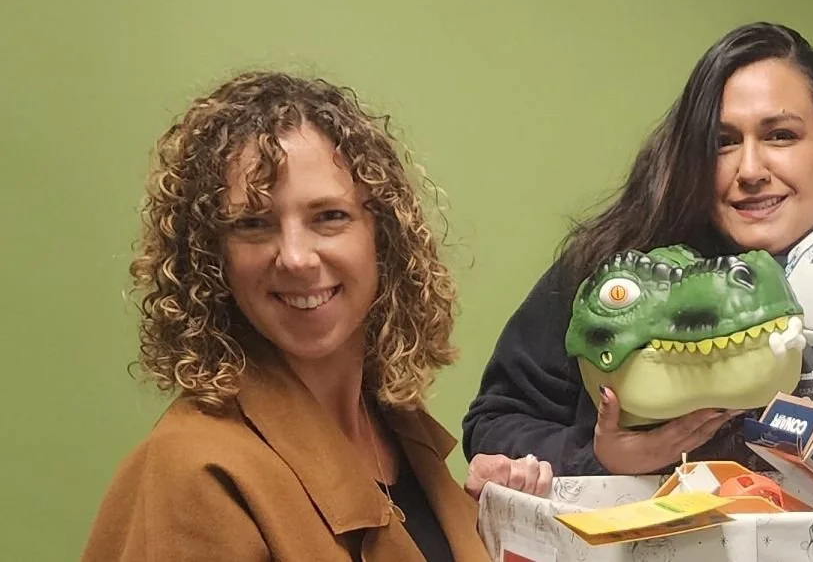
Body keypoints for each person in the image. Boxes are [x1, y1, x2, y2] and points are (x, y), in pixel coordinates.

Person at [83, 71, 553, 562]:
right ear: (212, 258)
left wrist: (498, 530)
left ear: (382, 238)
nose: (295, 257)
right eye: (253, 224)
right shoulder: (191, 472)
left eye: (329, 216)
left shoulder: (394, 427)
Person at [462, 21, 813, 476]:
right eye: (722, 142)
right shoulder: (609, 273)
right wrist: (600, 457)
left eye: (781, 135)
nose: (749, 170)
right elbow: (494, 423)